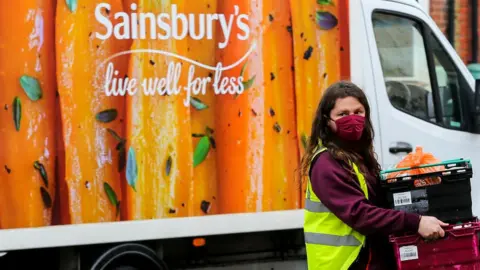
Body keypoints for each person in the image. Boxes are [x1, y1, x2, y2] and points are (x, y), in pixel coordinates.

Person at [301, 81, 448, 270]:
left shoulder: (357, 156)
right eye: (342, 114)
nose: (352, 119)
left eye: (358, 112)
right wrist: (415, 222)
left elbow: (378, 201)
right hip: (343, 263)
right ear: (327, 121)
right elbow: (359, 213)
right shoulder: (326, 163)